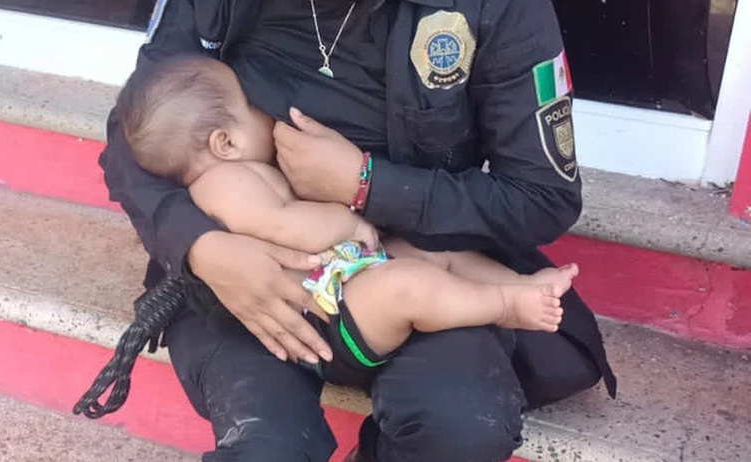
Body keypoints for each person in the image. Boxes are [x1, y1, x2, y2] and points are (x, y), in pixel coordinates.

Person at [99, 0, 618, 460]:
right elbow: (137, 131)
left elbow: (542, 196)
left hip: (408, 258)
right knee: (266, 443)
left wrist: (368, 184)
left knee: (461, 427)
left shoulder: (497, 8)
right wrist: (203, 247)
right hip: (253, 273)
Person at [117, 55, 579, 379]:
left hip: (344, 277)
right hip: (328, 319)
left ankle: (521, 285)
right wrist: (350, 221)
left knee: (428, 253)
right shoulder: (223, 183)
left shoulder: (242, 171)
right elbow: (283, 225)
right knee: (409, 285)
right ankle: (505, 307)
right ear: (225, 143)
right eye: (249, 106)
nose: (264, 111)